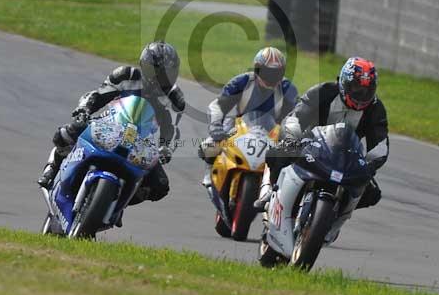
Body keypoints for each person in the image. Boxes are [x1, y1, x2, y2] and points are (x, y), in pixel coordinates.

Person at [37, 41, 185, 205]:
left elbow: (171, 128)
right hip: (108, 127)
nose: (160, 77)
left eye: (166, 73)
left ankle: (117, 202)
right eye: (156, 71)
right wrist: (83, 110)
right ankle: (52, 168)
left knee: (160, 186)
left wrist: (165, 148)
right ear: (145, 66)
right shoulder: (126, 75)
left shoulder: (174, 98)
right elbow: (97, 96)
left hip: (141, 143)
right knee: (68, 132)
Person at [256, 57, 388, 234]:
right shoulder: (323, 91)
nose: (361, 95)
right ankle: (270, 194)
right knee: (277, 154)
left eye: (367, 90)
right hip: (308, 146)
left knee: (371, 192)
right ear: (344, 83)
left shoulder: (375, 108)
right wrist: (291, 138)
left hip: (344, 158)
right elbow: (295, 116)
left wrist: (370, 165)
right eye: (356, 88)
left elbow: (380, 144)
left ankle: (335, 219)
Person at [198, 47, 298, 186]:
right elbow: (218, 105)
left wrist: (293, 135)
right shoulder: (242, 82)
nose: (271, 77)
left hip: (272, 132)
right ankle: (209, 173)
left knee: (292, 159)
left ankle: (274, 188)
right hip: (240, 126)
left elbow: (294, 116)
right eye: (267, 72)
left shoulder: (288, 89)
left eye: (275, 73)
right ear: (257, 70)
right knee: (209, 146)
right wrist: (216, 126)